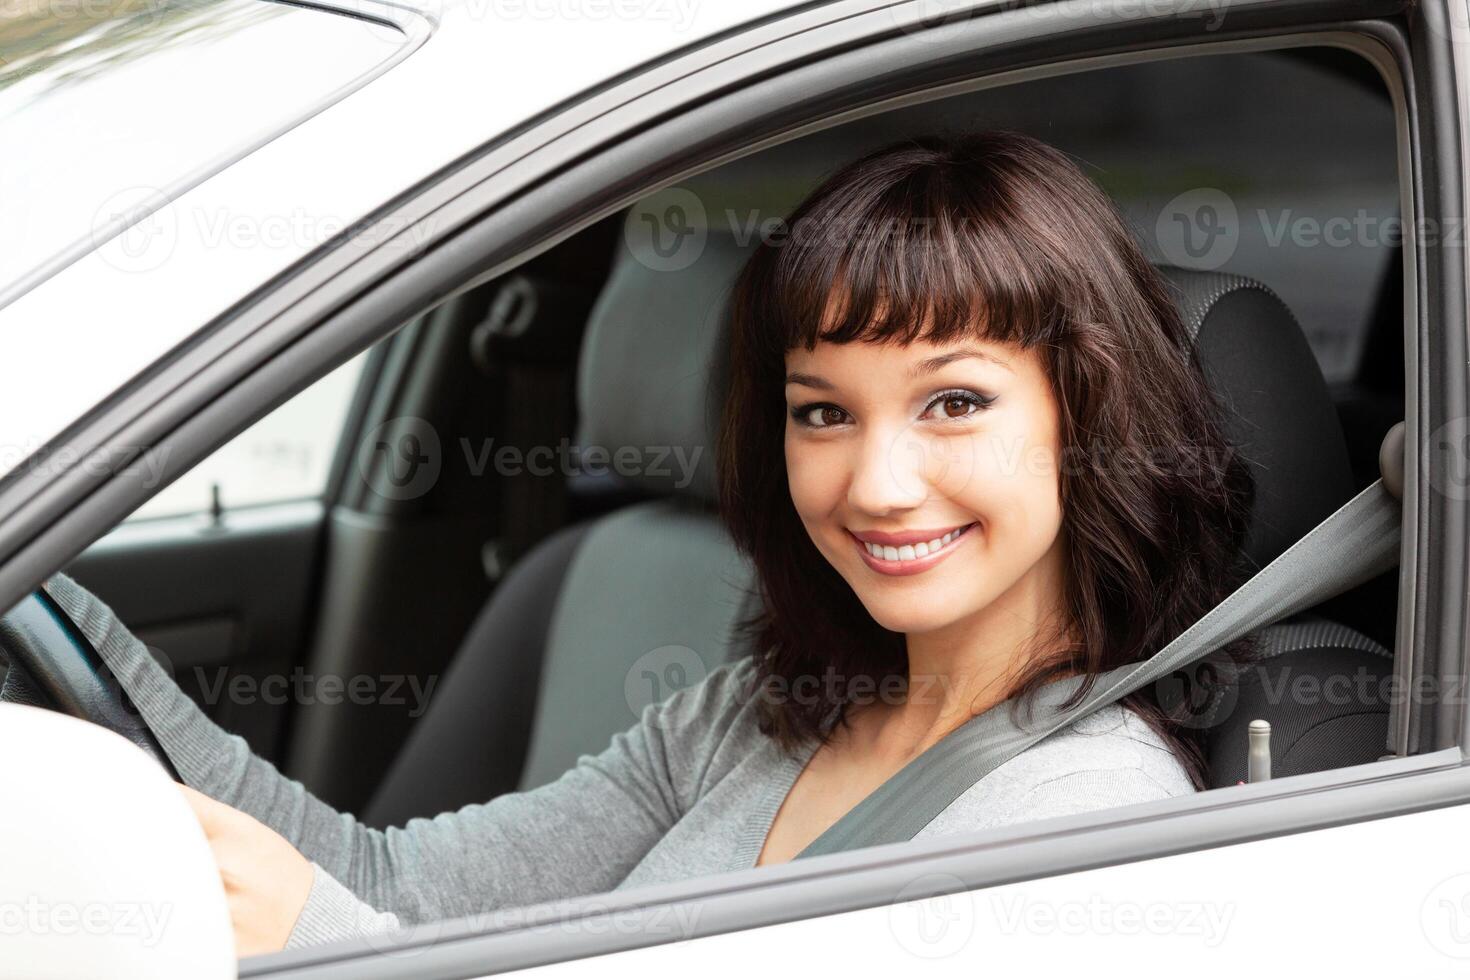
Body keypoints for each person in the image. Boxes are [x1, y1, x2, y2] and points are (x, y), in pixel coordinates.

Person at [60, 129, 1257, 956]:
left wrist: (321, 943)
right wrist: (56, 603)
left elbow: (345, 923)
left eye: (953, 401)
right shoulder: (757, 712)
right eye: (822, 411)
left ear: (1082, 419)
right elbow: (395, 892)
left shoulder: (1089, 822)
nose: (880, 483)